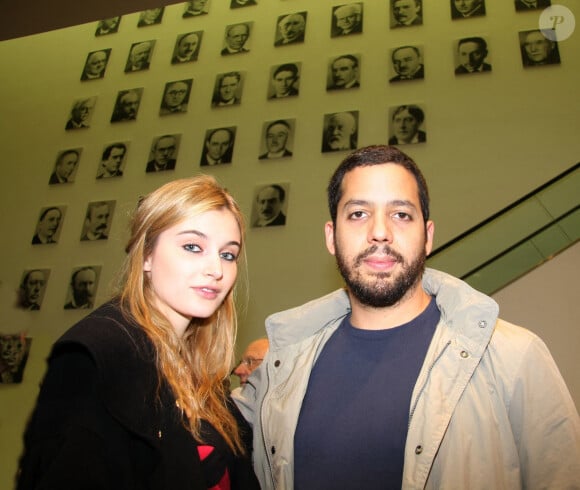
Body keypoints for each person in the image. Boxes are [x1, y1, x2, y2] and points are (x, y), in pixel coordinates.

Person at [233, 144, 580, 489]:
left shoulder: (514, 359)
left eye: (401, 214)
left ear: (427, 236)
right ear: (331, 237)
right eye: (358, 214)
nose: (380, 232)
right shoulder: (283, 367)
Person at [17, 176, 260, 489]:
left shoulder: (199, 368)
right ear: (146, 255)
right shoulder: (98, 355)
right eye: (192, 247)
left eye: (228, 254)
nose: (216, 270)